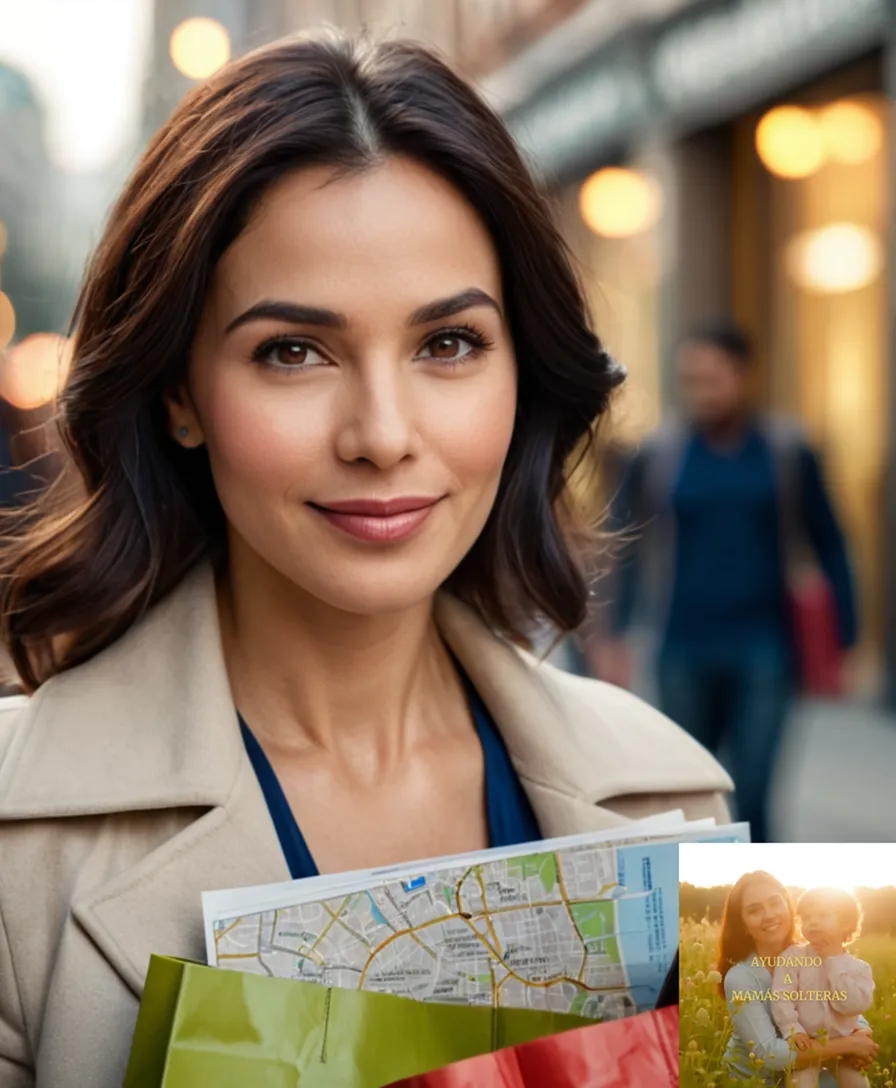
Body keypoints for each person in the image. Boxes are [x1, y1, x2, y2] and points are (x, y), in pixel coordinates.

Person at [0, 32, 732, 1088]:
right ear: (178, 393)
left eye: (448, 344)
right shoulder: (22, 846)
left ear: (521, 370)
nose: (382, 433)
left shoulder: (675, 799)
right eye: (292, 351)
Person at [601, 321, 857, 842]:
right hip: (682, 644)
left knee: (755, 793)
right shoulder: (660, 455)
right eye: (691, 378)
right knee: (691, 796)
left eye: (713, 376)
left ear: (743, 375)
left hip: (765, 645)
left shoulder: (785, 452)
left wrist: (845, 636)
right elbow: (624, 546)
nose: (702, 390)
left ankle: (763, 916)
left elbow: (830, 542)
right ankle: (707, 918)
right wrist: (613, 634)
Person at [717, 872, 877, 1085]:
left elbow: (842, 1005)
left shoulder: (816, 953)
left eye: (775, 903)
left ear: (788, 906)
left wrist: (862, 1033)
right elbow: (767, 1054)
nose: (769, 915)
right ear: (743, 924)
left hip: (810, 1064)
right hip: (757, 1079)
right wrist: (849, 1045)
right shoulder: (740, 978)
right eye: (754, 910)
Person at [771, 887, 874, 1088]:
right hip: (807, 1044)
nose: (813, 922)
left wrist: (833, 962)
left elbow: (853, 1006)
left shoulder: (859, 968)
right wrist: (793, 1030)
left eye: (822, 915)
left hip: (844, 1049)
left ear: (846, 923)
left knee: (858, 1084)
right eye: (807, 917)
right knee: (801, 1084)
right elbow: (782, 997)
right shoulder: (792, 958)